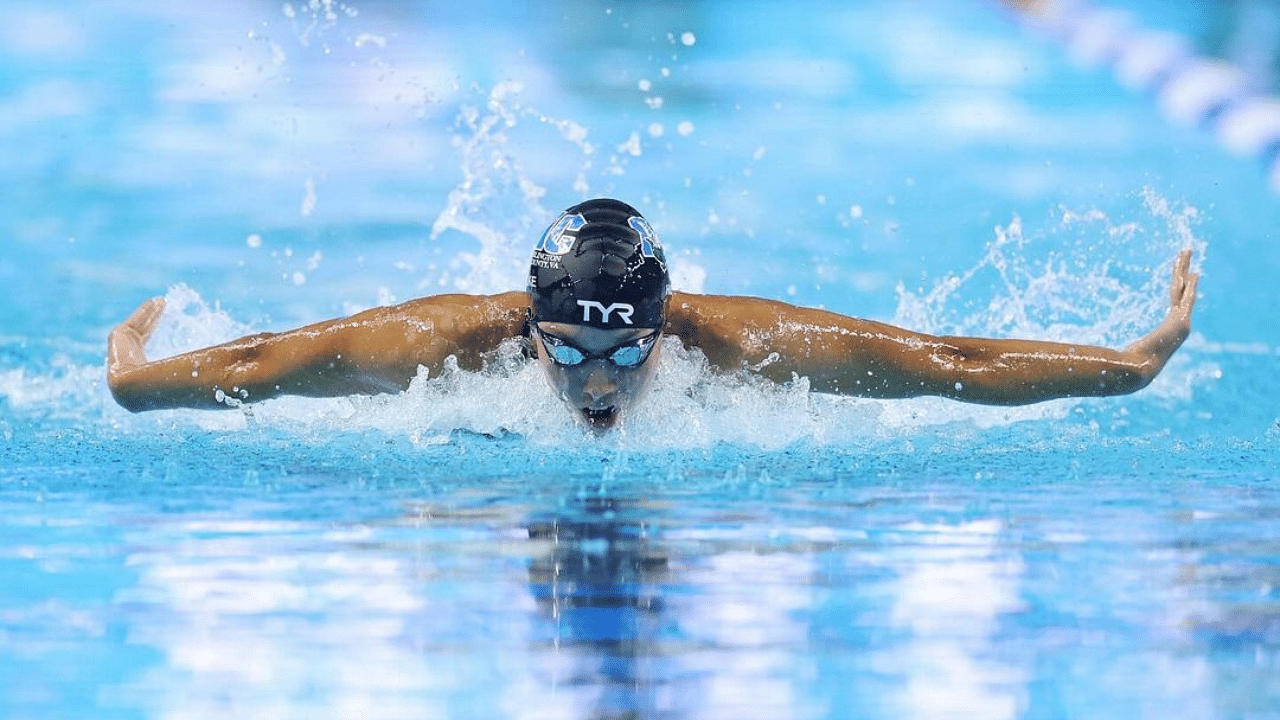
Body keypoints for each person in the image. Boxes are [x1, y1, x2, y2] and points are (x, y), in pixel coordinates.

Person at [107, 198, 1199, 431]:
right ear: (526, 325)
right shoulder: (446, 344)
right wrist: (135, 380)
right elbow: (275, 357)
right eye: (570, 350)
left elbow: (935, 359)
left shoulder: (732, 343)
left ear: (662, 325)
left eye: (626, 349)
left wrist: (1125, 364)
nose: (597, 382)